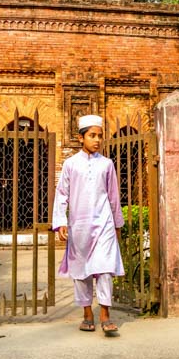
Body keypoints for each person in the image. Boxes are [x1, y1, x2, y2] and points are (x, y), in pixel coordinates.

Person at [52, 114, 124, 334]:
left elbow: (113, 196)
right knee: (81, 272)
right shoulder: (71, 164)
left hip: (104, 224)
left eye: (99, 136)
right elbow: (62, 193)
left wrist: (117, 224)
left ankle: (105, 315)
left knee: (104, 269)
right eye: (92, 135)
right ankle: (87, 314)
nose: (97, 140)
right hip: (79, 225)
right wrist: (61, 222)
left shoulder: (107, 164)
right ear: (80, 137)